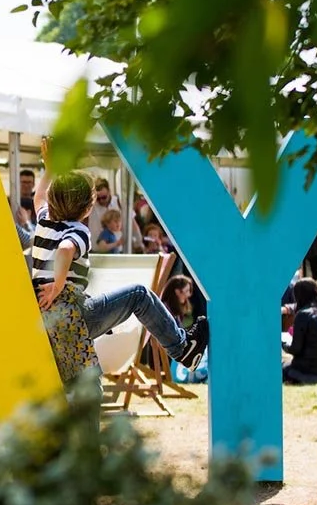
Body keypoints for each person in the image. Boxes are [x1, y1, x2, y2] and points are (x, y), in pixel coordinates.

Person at [32, 165, 208, 390]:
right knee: (139, 295)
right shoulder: (78, 231)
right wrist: (57, 287)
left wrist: (50, 165)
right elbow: (65, 250)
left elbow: (38, 195)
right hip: (75, 313)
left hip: (47, 318)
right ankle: (182, 349)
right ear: (87, 208)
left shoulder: (44, 221)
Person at [87, 176, 123, 252]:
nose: (101, 201)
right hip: (96, 250)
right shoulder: (92, 205)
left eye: (104, 197)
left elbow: (131, 222)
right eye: (98, 198)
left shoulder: (119, 202)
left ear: (109, 191)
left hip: (117, 251)